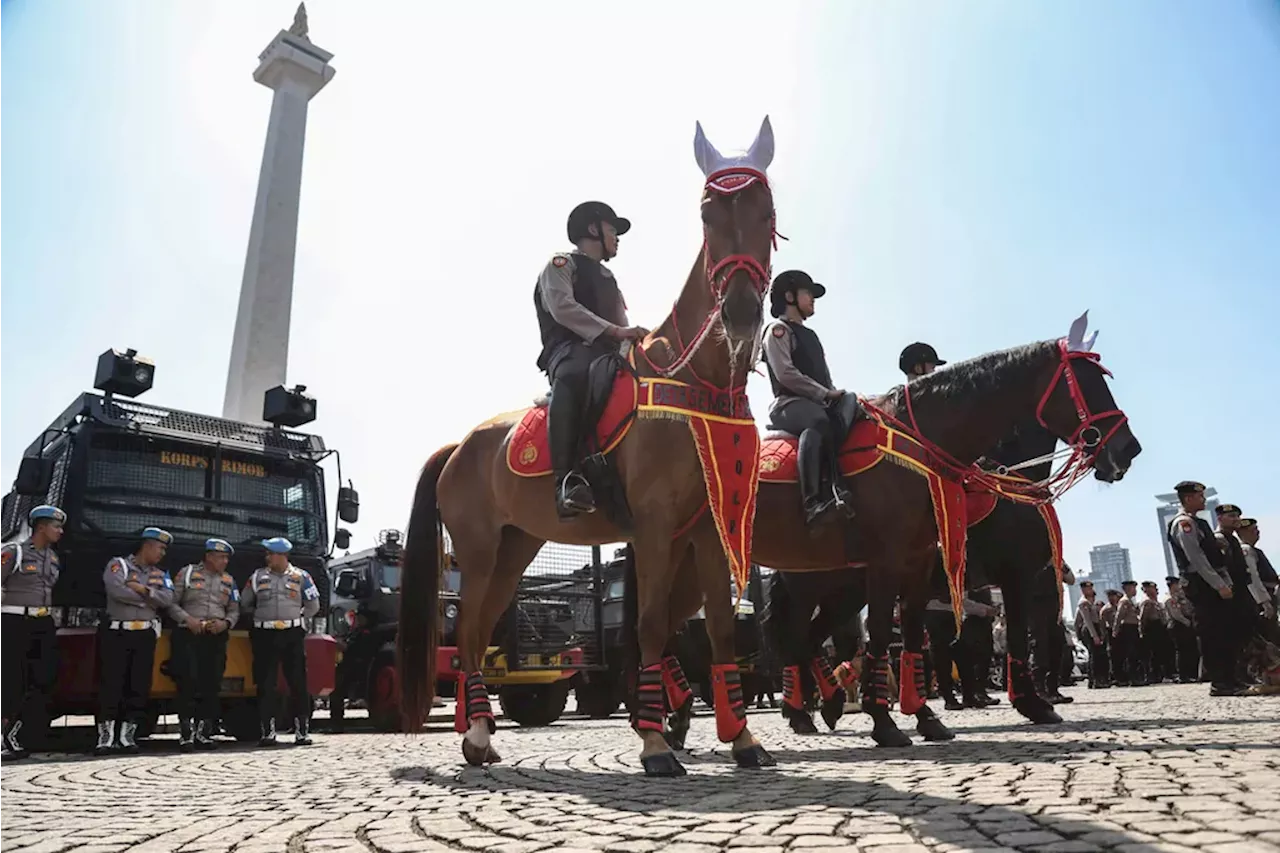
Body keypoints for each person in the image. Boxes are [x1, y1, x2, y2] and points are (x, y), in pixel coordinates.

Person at [534, 201, 645, 520]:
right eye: (613, 230)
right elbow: (562, 307)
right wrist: (615, 331)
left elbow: (623, 324)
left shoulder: (610, 279)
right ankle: (566, 479)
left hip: (611, 355)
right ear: (594, 229)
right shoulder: (560, 264)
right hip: (570, 351)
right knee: (575, 374)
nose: (617, 238)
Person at [762, 270, 859, 525]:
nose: (813, 299)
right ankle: (812, 503)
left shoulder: (811, 335)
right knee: (818, 421)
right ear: (790, 296)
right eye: (808, 293)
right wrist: (824, 394)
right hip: (788, 404)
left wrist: (834, 396)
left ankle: (838, 481)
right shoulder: (778, 330)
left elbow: (824, 378)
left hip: (818, 402)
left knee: (852, 401)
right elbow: (786, 374)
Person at [1167, 481, 1253, 696]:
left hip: (1212, 583)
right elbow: (1196, 559)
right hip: (1202, 585)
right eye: (1200, 496)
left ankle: (1231, 679)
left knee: (1225, 632)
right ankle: (1220, 682)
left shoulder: (1198, 522)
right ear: (1188, 498)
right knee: (1212, 634)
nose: (1203, 500)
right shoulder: (1184, 523)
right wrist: (1219, 584)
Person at [97, 527, 175, 755]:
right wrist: (149, 599)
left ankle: (127, 737)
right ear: (147, 545)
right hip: (117, 633)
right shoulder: (119, 565)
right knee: (111, 684)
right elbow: (116, 591)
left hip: (144, 635)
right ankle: (106, 738)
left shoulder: (161, 574)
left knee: (138, 686)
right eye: (160, 548)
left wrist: (142, 590)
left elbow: (167, 599)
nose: (162, 554)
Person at [0, 505, 66, 762]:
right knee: (11, 680)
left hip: (43, 621)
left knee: (44, 678)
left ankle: (19, 732)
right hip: (14, 621)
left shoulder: (53, 558)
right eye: (56, 526)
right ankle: (5, 736)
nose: (60, 531)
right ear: (40, 527)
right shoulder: (13, 552)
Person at [241, 538, 321, 746]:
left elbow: (313, 604)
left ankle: (301, 731)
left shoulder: (302, 577)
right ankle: (268, 732)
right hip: (265, 635)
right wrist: (260, 617)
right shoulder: (257, 577)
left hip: (292, 633)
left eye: (270, 554)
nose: (267, 557)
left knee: (298, 683)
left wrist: (300, 619)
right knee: (266, 683)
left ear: (281, 556)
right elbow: (245, 603)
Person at [168, 538, 240, 752]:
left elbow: (235, 609)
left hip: (215, 636)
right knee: (187, 680)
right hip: (189, 633)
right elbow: (171, 601)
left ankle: (204, 733)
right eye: (221, 557)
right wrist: (187, 619)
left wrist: (225, 623)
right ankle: (186, 734)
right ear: (208, 556)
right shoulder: (187, 573)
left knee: (212, 684)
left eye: (227, 558)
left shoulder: (229, 580)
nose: (225, 561)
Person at [1074, 580, 1109, 688]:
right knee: (1094, 655)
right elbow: (1087, 621)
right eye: (1088, 588)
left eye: (1091, 588)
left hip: (1094, 627)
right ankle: (1096, 680)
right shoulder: (1083, 602)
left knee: (1097, 655)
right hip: (1090, 629)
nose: (1090, 590)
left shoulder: (1090, 602)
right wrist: (1094, 635)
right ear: (1083, 590)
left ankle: (1095, 680)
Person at [1164, 576, 1200, 683]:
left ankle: (1191, 673)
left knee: (1190, 650)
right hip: (1178, 626)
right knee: (1182, 650)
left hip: (1186, 625)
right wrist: (1187, 622)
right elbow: (1176, 615)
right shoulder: (1170, 599)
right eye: (1177, 584)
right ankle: (1183, 674)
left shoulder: (1181, 597)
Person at [1138, 581, 1171, 684]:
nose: (1155, 590)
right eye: (1152, 588)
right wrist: (1141, 631)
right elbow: (1143, 618)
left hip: (1160, 627)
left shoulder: (1156, 602)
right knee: (1153, 653)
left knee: (1161, 652)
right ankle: (1154, 675)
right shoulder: (1147, 602)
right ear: (1146, 590)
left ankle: (1161, 674)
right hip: (1152, 628)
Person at [1112, 580, 1143, 685]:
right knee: (1131, 653)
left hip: (1133, 628)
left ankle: (1136, 677)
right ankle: (1133, 678)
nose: (1135, 590)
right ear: (1128, 589)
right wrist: (1115, 629)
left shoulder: (1131, 601)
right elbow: (1119, 616)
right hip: (1128, 628)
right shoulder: (1124, 601)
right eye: (1133, 588)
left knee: (1135, 653)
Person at [1099, 589, 1121, 684]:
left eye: (1113, 596)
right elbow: (1102, 624)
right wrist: (1103, 636)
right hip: (1110, 632)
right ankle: (1114, 676)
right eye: (1109, 596)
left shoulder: (1119, 607)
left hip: (1121, 632)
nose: (1112, 598)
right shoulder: (1105, 609)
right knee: (1113, 655)